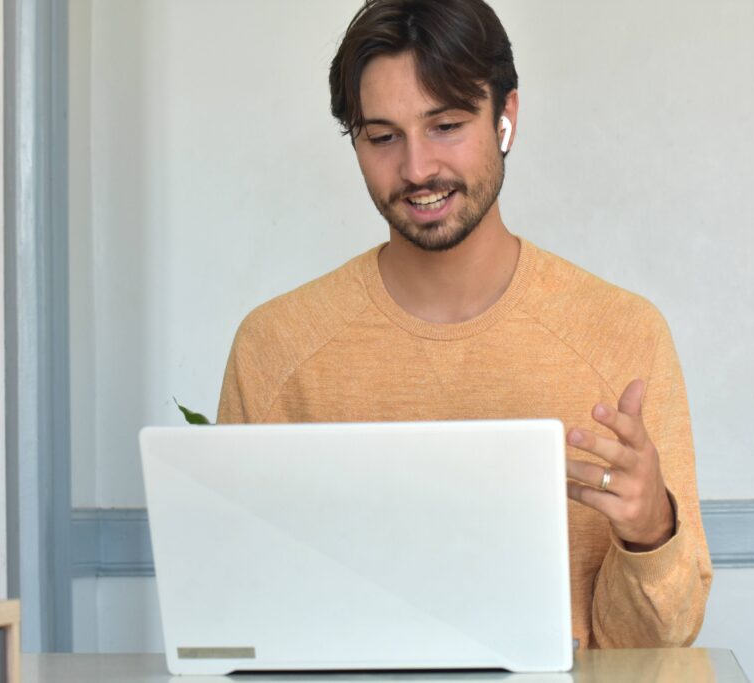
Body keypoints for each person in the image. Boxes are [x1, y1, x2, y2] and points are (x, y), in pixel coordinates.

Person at [217, 0, 712, 649]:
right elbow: (235, 611)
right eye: (383, 136)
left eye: (446, 125)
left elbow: (652, 647)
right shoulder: (274, 346)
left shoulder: (623, 334)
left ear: (506, 118)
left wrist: (650, 531)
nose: (418, 168)